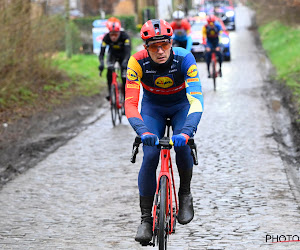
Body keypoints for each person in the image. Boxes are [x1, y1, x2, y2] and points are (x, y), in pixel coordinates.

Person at [125, 19, 204, 244]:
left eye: (164, 45)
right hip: (153, 109)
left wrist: (187, 131)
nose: (160, 51)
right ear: (145, 48)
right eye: (153, 47)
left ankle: (185, 192)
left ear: (171, 43)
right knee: (150, 154)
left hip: (181, 107)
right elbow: (130, 103)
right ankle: (146, 220)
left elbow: (196, 100)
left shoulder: (184, 58)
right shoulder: (136, 62)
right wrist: (142, 131)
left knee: (182, 148)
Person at [98, 17, 131, 100]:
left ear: (119, 33)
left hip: (123, 55)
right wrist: (101, 63)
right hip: (112, 55)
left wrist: (125, 62)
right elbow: (101, 53)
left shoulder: (125, 37)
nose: (113, 37)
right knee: (109, 72)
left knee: (124, 76)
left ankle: (125, 96)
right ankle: (110, 93)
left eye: (115, 34)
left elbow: (128, 52)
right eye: (111, 34)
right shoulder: (106, 38)